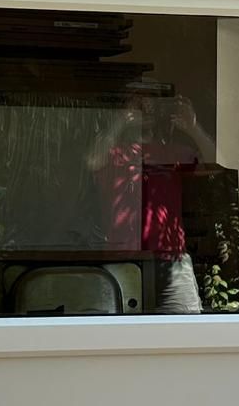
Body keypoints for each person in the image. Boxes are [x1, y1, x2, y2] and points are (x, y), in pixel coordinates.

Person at [89, 93, 215, 313]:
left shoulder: (173, 152)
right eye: (137, 103)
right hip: (123, 258)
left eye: (150, 105)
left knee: (186, 333)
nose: (144, 109)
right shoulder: (116, 153)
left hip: (172, 257)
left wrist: (193, 127)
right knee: (113, 337)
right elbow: (92, 161)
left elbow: (216, 163)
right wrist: (120, 122)